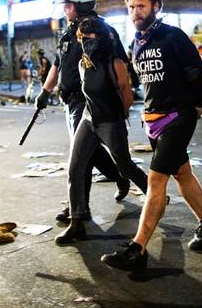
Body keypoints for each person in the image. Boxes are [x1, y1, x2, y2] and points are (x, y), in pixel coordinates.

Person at [101, 0, 202, 271]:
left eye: (141, 6)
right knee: (182, 172)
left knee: (155, 181)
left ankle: (138, 247)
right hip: (153, 119)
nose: (135, 12)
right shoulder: (136, 43)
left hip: (178, 117)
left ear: (155, 6)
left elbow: (197, 74)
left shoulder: (173, 36)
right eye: (131, 7)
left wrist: (196, 105)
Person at [35, 0, 132, 224]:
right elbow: (58, 64)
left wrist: (122, 104)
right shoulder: (68, 32)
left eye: (67, 6)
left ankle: (78, 209)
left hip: (88, 102)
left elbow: (120, 65)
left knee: (81, 157)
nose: (65, 10)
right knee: (90, 152)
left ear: (79, 6)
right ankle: (119, 178)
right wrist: (45, 92)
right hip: (69, 101)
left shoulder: (98, 30)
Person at [55, 17, 148, 245]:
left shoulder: (114, 62)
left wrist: (119, 118)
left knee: (124, 165)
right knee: (75, 168)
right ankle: (77, 223)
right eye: (81, 38)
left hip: (110, 121)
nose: (84, 41)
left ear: (101, 37)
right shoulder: (82, 64)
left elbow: (126, 94)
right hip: (88, 119)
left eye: (88, 36)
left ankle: (154, 195)